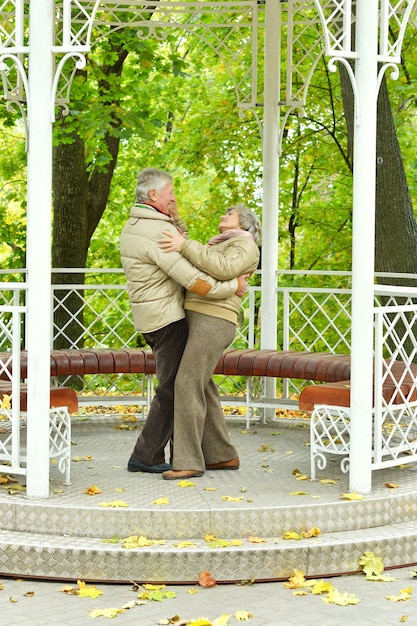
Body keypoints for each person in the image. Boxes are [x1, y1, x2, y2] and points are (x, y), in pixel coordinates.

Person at [120, 168, 248, 474]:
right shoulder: (156, 231)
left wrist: (177, 220)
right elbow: (191, 277)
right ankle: (149, 455)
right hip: (167, 317)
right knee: (176, 387)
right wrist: (233, 288)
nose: (174, 197)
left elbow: (186, 250)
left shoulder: (140, 223)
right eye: (170, 194)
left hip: (153, 316)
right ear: (153, 195)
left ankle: (219, 453)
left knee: (197, 383)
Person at [158, 203, 261, 480]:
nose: (222, 215)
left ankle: (189, 461)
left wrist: (185, 244)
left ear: (244, 222)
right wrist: (178, 223)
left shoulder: (245, 244)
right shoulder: (224, 243)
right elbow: (200, 258)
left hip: (214, 321)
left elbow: (223, 268)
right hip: (201, 318)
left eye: (229, 214)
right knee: (202, 385)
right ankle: (221, 455)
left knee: (187, 382)